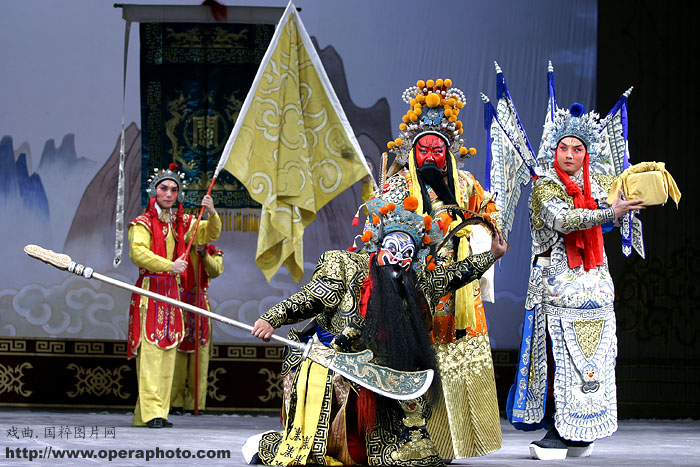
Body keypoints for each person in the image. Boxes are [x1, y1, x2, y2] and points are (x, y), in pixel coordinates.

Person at [246, 195, 507, 466]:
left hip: (382, 374)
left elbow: (454, 275)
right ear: (377, 245)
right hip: (334, 365)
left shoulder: (415, 282)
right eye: (391, 249)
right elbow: (311, 298)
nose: (397, 259)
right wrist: (271, 319)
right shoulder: (345, 267)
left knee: (393, 454)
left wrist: (492, 255)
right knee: (336, 451)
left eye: (406, 255)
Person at [507, 103, 644, 460]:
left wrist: (630, 203)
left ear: (587, 153)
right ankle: (557, 429)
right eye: (563, 148)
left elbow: (617, 213)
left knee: (595, 358)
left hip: (595, 284)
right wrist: (609, 211)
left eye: (577, 148)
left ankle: (582, 432)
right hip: (554, 286)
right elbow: (564, 220)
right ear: (554, 151)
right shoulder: (544, 186)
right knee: (556, 358)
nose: (569, 154)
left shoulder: (599, 184)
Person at [380, 78, 502, 459]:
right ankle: (415, 440)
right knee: (417, 360)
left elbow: (490, 217)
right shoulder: (398, 185)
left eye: (437, 149)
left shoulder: (466, 184)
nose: (430, 156)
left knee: (459, 360)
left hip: (460, 288)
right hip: (417, 287)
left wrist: (474, 233)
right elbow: (379, 228)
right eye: (423, 149)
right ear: (412, 151)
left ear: (448, 150)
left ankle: (460, 443)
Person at [127, 163, 221, 428]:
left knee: (168, 353)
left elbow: (209, 233)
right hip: (151, 290)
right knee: (150, 355)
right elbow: (138, 253)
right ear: (153, 191)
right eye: (163, 188)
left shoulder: (183, 222)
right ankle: (151, 414)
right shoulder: (142, 223)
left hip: (172, 293)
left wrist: (212, 213)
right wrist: (170, 266)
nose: (168, 193)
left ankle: (156, 413)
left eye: (173, 189)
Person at [171, 243, 224, 415]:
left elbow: (216, 271)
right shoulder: (176, 245)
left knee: (200, 360)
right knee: (176, 359)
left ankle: (196, 404)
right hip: (178, 304)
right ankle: (174, 403)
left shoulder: (211, 250)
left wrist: (204, 255)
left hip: (200, 307)